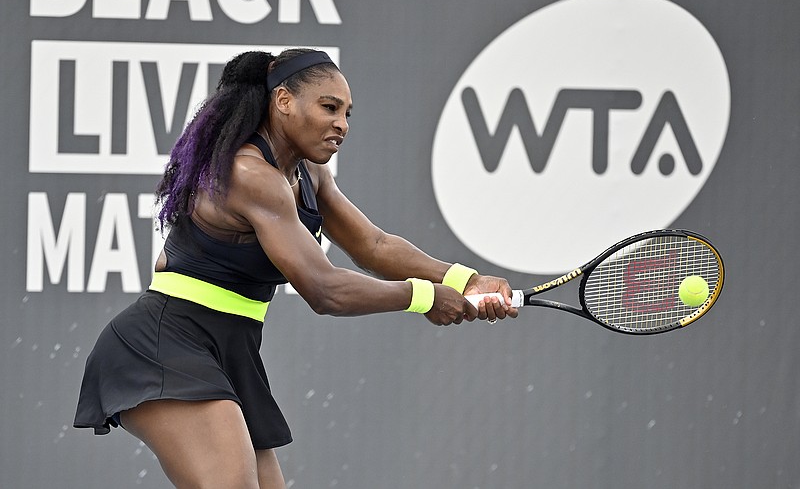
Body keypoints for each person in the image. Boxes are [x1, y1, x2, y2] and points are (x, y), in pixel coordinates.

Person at [74, 48, 517, 489]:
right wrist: (423, 297)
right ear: (283, 100)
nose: (342, 124)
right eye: (329, 107)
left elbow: (373, 244)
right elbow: (324, 290)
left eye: (347, 113)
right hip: (163, 343)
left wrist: (465, 280)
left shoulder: (309, 175)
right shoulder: (248, 174)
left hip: (228, 351)